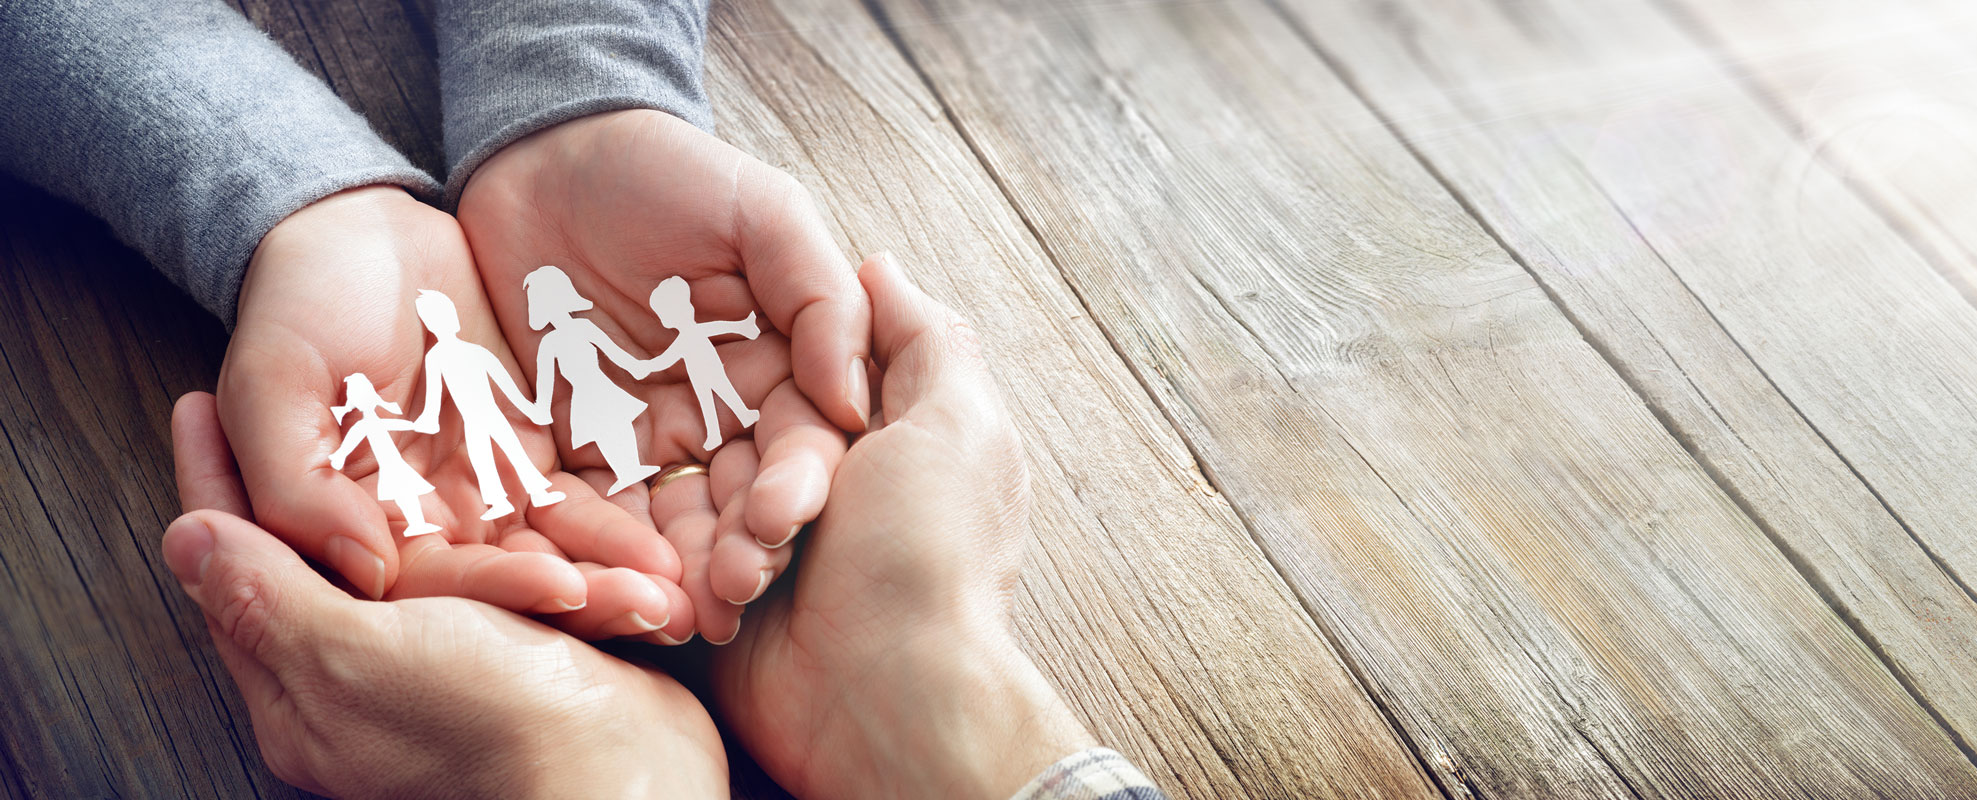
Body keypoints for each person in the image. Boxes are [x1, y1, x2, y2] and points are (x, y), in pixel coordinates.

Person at [4, 0, 1165, 795]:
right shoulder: (514, 357)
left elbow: (572, 372)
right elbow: (540, 378)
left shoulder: (551, 351)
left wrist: (570, 87)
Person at [165, 257, 1162, 799]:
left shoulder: (573, 338)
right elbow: (544, 379)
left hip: (584, 435)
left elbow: (576, 367)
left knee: (523, 477)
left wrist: (587, 763)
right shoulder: (539, 350)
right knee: (520, 474)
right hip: (563, 436)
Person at [414, 288, 570, 519]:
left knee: (512, 452)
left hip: (490, 415)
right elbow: (434, 397)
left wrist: (530, 409)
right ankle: (500, 501)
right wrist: (427, 418)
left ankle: (537, 491)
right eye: (433, 319)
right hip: (475, 420)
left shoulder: (472, 352)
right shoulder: (437, 357)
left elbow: (507, 386)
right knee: (483, 458)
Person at [524, 265, 662, 495]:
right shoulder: (549, 343)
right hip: (583, 394)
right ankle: (623, 471)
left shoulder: (585, 327)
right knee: (602, 430)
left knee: (620, 422)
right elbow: (545, 380)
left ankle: (632, 467)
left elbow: (612, 350)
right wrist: (542, 407)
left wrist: (635, 366)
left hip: (601, 384)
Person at [642, 275, 763, 452]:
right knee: (709, 399)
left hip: (710, 368)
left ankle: (742, 416)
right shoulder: (685, 338)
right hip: (698, 374)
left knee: (723, 391)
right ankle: (718, 431)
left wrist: (742, 327)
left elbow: (666, 359)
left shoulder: (688, 335)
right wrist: (648, 366)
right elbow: (666, 360)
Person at [328, 373, 443, 537]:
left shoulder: (373, 422)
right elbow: (351, 442)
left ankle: (417, 524)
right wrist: (340, 455)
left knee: (407, 494)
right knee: (405, 494)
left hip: (395, 463)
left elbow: (396, 424)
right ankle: (417, 524)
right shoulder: (363, 425)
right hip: (391, 466)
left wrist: (415, 426)